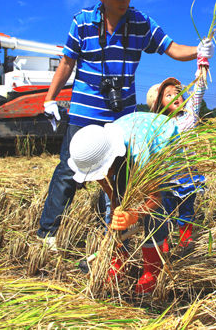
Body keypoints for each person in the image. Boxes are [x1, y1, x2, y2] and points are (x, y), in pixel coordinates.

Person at [37, 0, 214, 243]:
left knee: (124, 178)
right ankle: (48, 234)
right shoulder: (82, 22)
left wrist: (199, 51)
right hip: (84, 112)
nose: (125, 0)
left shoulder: (140, 22)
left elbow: (172, 48)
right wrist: (50, 98)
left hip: (123, 118)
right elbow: (67, 63)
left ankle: (116, 234)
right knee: (69, 172)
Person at [69, 112, 180, 294]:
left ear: (112, 159)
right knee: (111, 211)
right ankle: (117, 262)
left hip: (161, 140)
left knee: (154, 213)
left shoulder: (141, 153)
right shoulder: (93, 154)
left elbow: (154, 198)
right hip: (127, 141)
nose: (100, 177)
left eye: (102, 171)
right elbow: (111, 194)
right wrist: (116, 212)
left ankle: (153, 269)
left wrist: (135, 215)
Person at [146, 56, 209, 254]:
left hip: (188, 175)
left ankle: (185, 239)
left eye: (178, 92)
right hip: (166, 177)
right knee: (164, 211)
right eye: (168, 94)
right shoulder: (157, 124)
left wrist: (201, 69)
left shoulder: (189, 117)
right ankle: (163, 240)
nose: (176, 96)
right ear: (158, 105)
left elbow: (198, 93)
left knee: (187, 209)